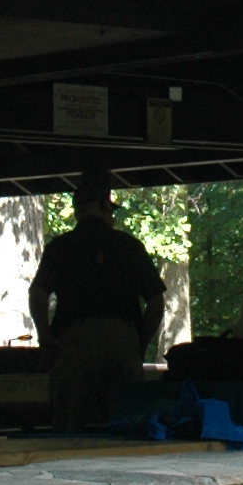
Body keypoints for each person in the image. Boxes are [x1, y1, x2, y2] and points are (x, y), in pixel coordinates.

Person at [29, 178, 165, 430]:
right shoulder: (130, 247)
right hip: (122, 343)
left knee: (72, 423)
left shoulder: (60, 247)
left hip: (74, 344)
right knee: (125, 424)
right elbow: (156, 302)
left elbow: (38, 293)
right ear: (104, 207)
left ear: (77, 210)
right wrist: (137, 343)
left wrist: (45, 337)